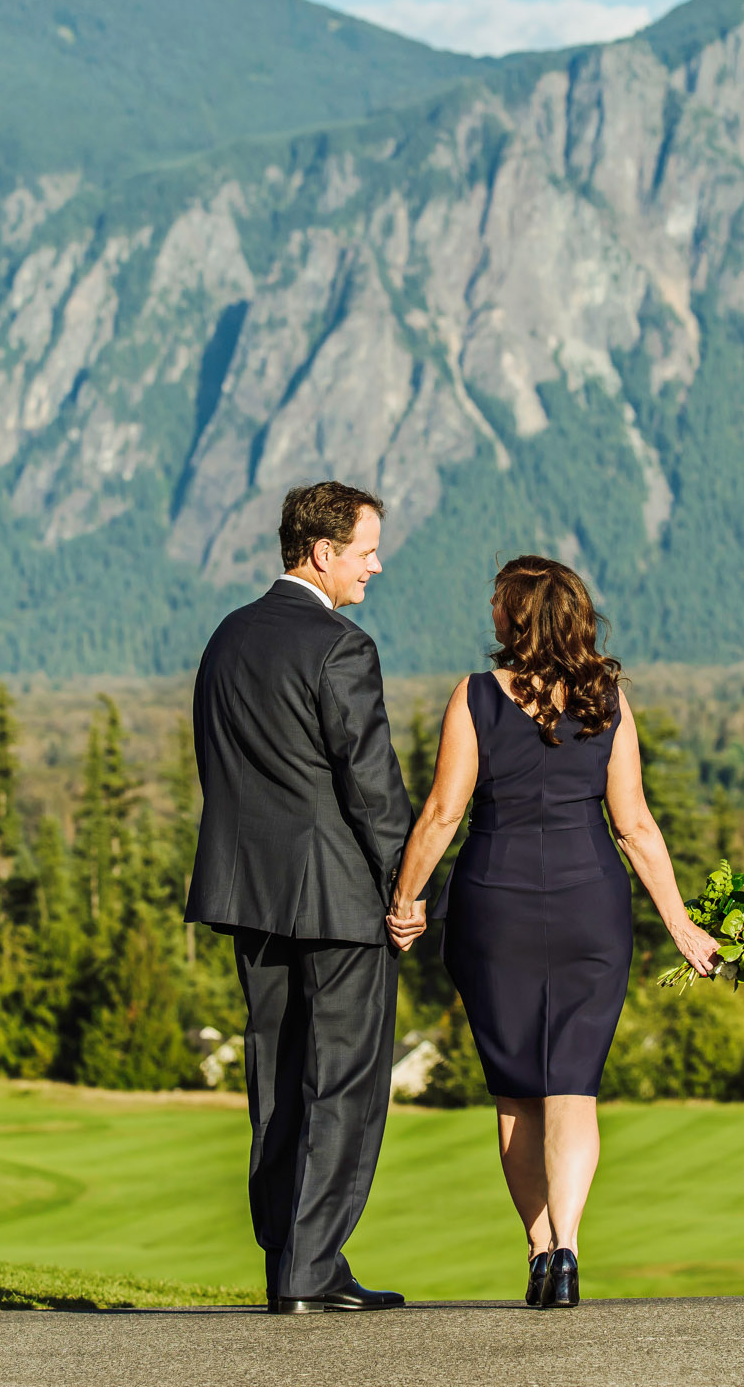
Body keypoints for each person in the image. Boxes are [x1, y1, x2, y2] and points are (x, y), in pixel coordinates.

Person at [385, 556, 720, 1310]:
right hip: (589, 909)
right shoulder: (609, 704)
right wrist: (681, 925)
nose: (492, 615)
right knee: (573, 1088)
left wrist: (407, 900)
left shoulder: (474, 697)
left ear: (518, 616)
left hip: (494, 903)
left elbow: (442, 812)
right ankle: (567, 1246)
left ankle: (538, 1250)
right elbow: (633, 825)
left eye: (499, 603)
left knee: (516, 1098)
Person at [186, 481, 416, 1314]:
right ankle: (313, 1273)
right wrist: (410, 888)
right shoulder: (340, 647)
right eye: (366, 550)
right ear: (322, 553)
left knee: (276, 1080)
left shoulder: (225, 638)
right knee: (343, 1085)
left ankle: (291, 1261)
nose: (376, 565)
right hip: (342, 900)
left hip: (251, 896)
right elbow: (372, 788)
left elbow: (221, 766)